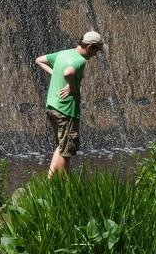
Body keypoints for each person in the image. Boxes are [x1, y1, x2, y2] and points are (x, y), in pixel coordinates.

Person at [34, 30, 105, 177]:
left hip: (52, 106)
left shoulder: (63, 53)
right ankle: (64, 186)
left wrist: (55, 73)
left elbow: (39, 60)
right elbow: (69, 73)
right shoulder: (80, 60)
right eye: (96, 50)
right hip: (66, 110)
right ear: (90, 47)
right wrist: (72, 87)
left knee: (61, 146)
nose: (95, 55)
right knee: (66, 152)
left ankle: (50, 180)